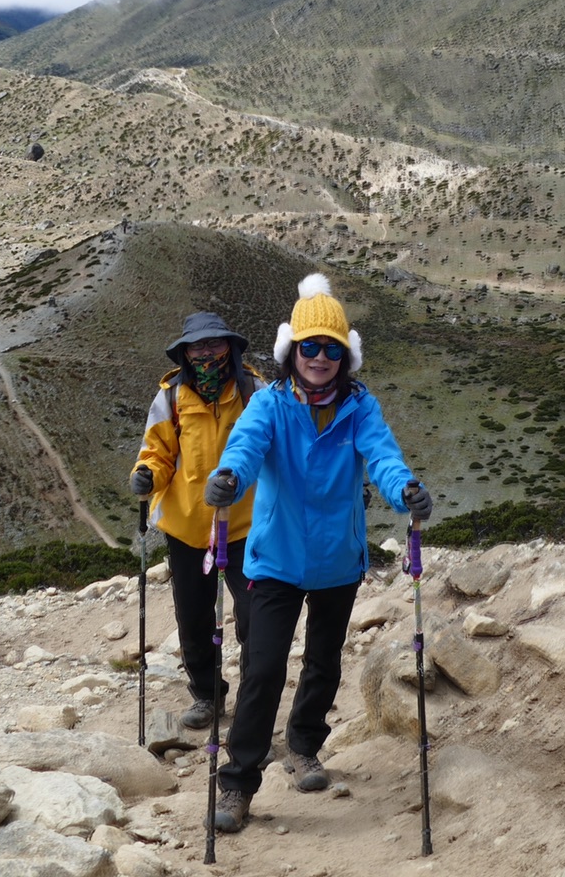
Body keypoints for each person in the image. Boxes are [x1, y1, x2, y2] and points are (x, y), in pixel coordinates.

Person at [202, 273, 433, 833]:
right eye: (310, 346)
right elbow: (246, 447)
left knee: (324, 663)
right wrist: (229, 477)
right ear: (292, 351)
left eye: (332, 348)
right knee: (263, 669)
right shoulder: (270, 405)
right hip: (275, 560)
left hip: (336, 561)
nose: (321, 358)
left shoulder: (360, 407)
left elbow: (381, 456)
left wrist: (404, 488)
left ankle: (304, 747)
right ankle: (237, 785)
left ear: (345, 355)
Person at [129, 311, 262, 729]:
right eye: (197, 347)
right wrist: (147, 475)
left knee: (256, 615)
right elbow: (158, 451)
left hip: (246, 524)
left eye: (214, 344)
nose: (206, 353)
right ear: (185, 352)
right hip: (188, 527)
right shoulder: (170, 397)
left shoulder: (253, 391)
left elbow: (270, 450)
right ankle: (207, 695)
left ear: (231, 347)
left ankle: (253, 698)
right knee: (193, 617)